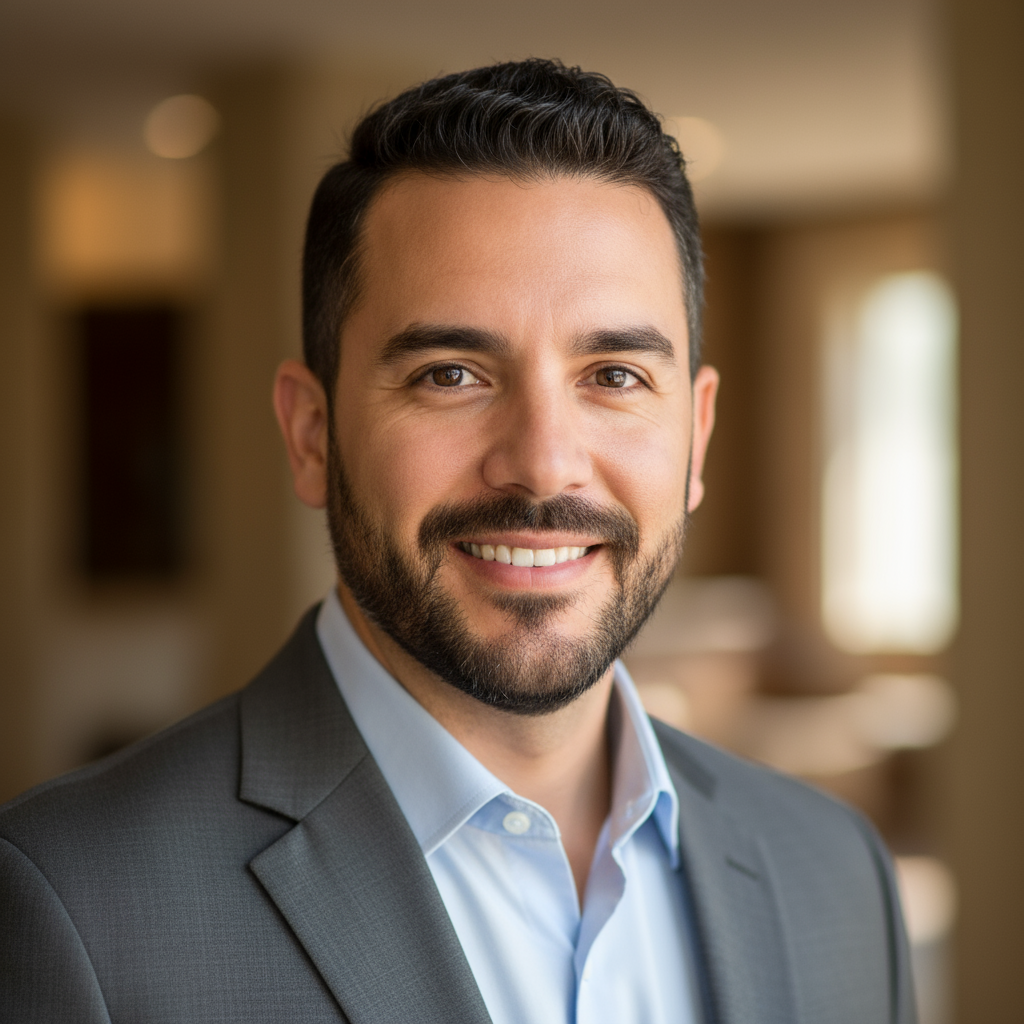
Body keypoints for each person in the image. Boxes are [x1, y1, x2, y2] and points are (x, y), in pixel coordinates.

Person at [0, 60, 915, 1023]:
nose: (544, 464)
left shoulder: (836, 873)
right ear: (311, 435)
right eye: (450, 374)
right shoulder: (67, 906)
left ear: (697, 436)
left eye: (613, 375)